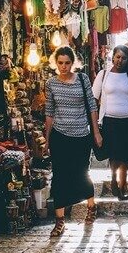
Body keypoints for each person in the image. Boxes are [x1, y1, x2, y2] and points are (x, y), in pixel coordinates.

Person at [44, 46, 102, 237]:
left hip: (81, 136)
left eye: (67, 63)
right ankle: (59, 221)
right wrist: (46, 139)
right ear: (55, 62)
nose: (64, 66)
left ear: (73, 62)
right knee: (59, 176)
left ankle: (91, 206)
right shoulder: (51, 83)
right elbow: (49, 112)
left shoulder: (83, 79)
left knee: (81, 173)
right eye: (60, 63)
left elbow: (92, 106)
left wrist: (96, 132)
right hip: (59, 136)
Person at [93, 45, 128, 201]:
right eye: (118, 57)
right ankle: (114, 178)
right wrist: (95, 125)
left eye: (124, 58)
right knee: (114, 155)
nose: (120, 60)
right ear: (113, 57)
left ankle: (122, 187)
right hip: (110, 121)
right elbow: (94, 98)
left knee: (126, 157)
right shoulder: (103, 74)